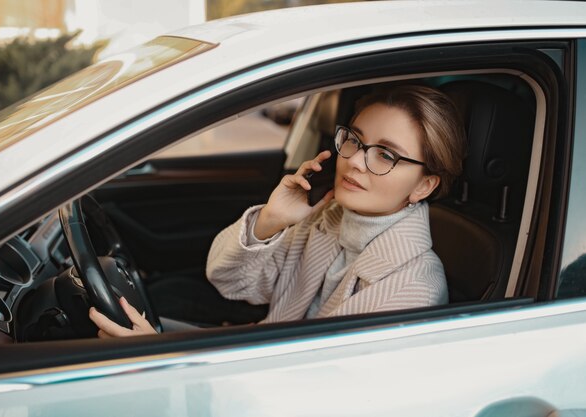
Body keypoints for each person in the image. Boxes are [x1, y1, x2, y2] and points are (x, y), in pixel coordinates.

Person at [90, 84, 466, 337]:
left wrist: (154, 361)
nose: (355, 162)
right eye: (353, 140)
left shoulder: (415, 288)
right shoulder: (327, 219)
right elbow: (229, 282)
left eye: (385, 154)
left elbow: (310, 391)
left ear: (424, 185)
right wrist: (270, 221)